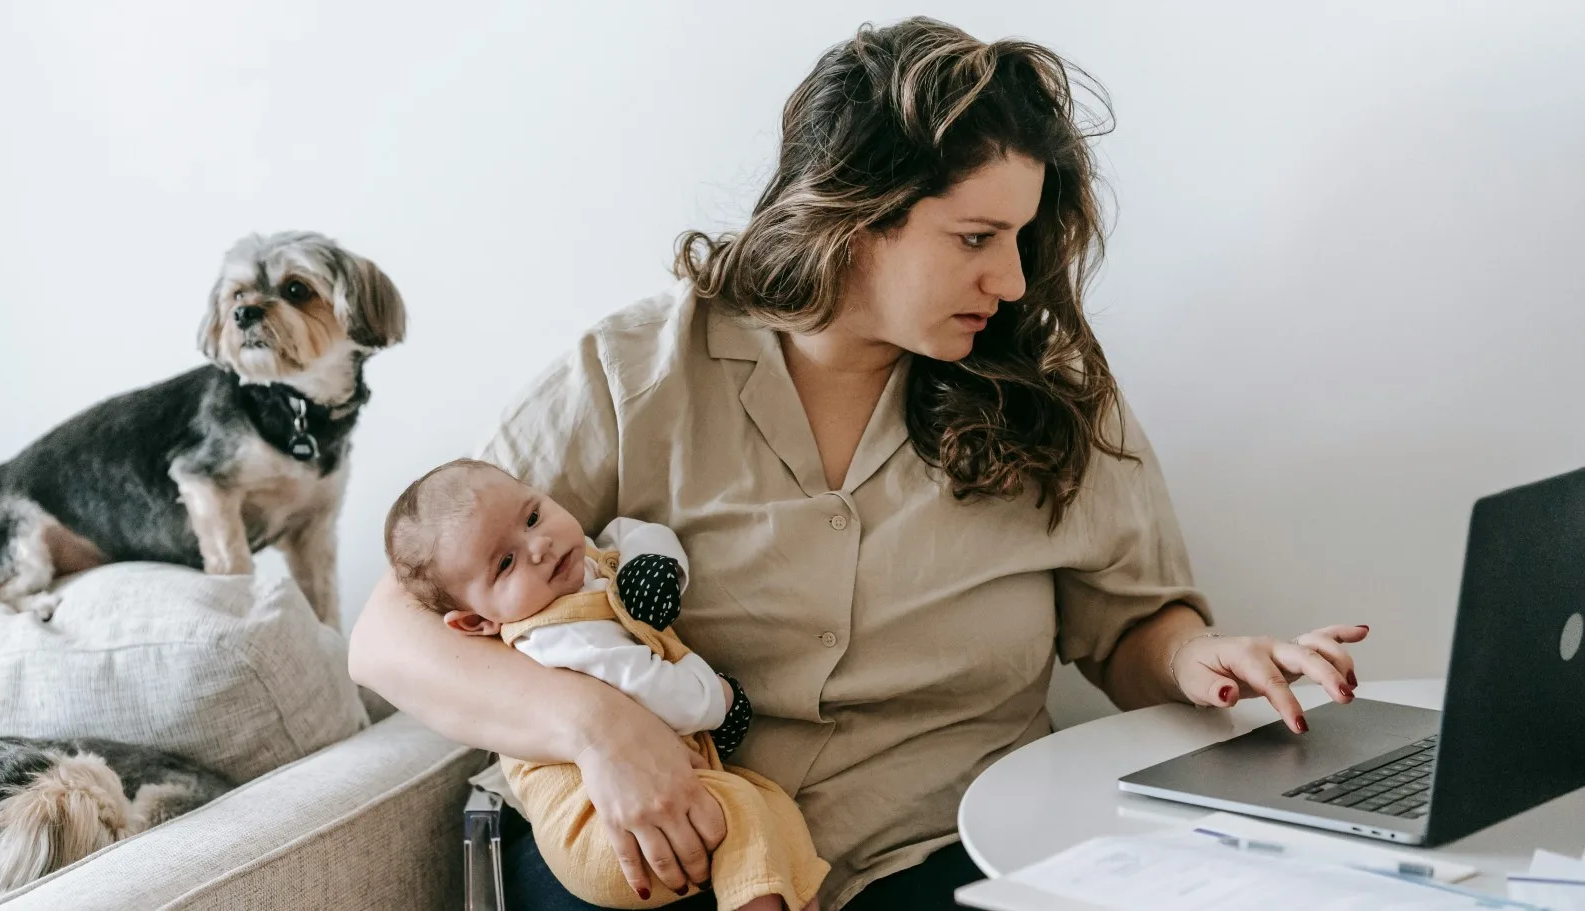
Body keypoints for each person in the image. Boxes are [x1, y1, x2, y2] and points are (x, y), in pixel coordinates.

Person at [349, 16, 1368, 911]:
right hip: (666, 848)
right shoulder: (632, 373)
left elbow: (1133, 622)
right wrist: (594, 719)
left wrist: (1198, 660)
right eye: (975, 235)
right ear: (853, 214)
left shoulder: (1049, 388)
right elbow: (391, 633)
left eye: (1019, 237)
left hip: (943, 847)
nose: (1011, 279)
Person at [381, 458, 826, 910]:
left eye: (533, 516)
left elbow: (631, 532)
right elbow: (665, 696)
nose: (539, 546)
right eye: (506, 563)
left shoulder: (580, 565)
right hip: (600, 833)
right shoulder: (555, 634)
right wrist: (719, 695)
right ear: (476, 621)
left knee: (774, 808)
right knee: (741, 814)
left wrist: (656, 566)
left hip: (649, 802)